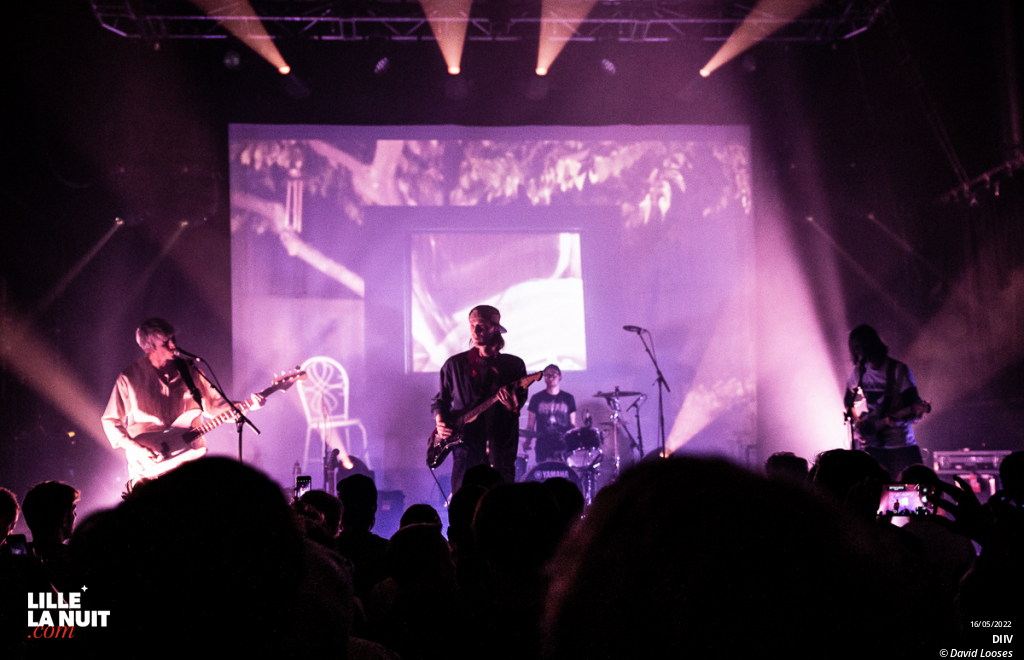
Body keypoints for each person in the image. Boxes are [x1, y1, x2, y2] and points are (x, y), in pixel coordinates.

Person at [101, 318, 234, 489]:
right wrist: (136, 448)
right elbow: (110, 420)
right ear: (149, 347)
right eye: (166, 342)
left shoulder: (190, 371)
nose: (173, 345)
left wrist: (248, 405)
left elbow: (214, 405)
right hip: (150, 464)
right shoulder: (130, 377)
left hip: (189, 461)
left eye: (173, 339)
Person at [432, 305, 528, 493]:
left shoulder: (513, 365)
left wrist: (511, 406)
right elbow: (440, 401)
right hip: (466, 448)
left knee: (502, 503)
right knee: (464, 503)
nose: (475, 331)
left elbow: (517, 406)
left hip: (501, 449)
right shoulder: (455, 365)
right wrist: (440, 420)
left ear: (495, 328)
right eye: (472, 325)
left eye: (481, 325)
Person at [843, 324, 929, 478]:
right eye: (855, 348)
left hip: (900, 446)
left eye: (861, 346)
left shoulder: (898, 370)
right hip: (874, 446)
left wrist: (899, 420)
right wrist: (858, 421)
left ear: (872, 344)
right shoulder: (860, 372)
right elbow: (848, 400)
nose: (859, 352)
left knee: (911, 491)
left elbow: (915, 409)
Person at [523, 364, 576, 463]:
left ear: (560, 377)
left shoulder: (568, 398)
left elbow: (572, 424)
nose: (550, 378)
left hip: (563, 445)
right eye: (547, 375)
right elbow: (530, 425)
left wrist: (574, 440)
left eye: (554, 375)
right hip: (543, 445)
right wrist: (527, 441)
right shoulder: (536, 398)